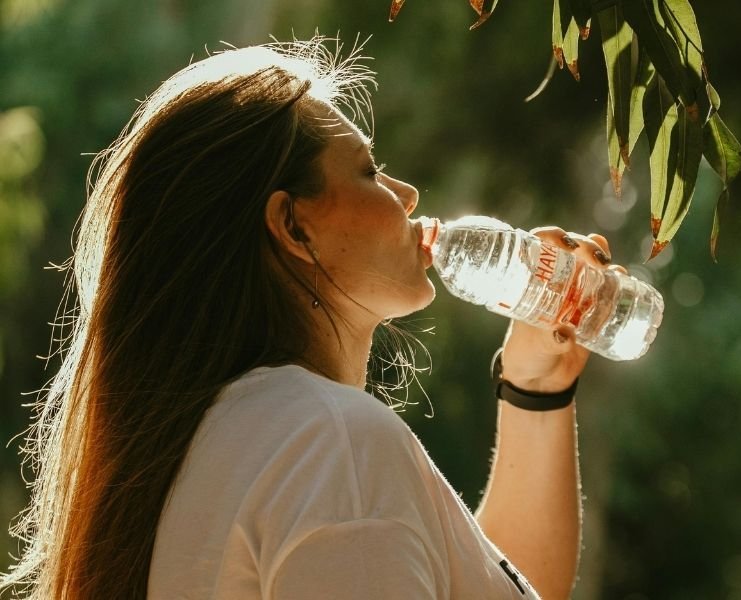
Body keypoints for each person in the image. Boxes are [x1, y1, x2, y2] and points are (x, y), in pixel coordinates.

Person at [0, 38, 619, 599]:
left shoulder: (238, 438)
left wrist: (537, 387)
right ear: (293, 225)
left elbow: (492, 579)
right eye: (369, 171)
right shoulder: (335, 445)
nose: (406, 195)